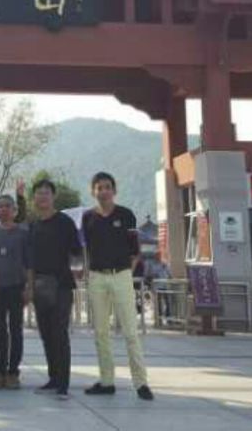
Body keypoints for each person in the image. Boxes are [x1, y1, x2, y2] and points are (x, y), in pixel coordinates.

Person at [82, 172, 154, 401]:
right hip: (97, 277)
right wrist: (88, 273)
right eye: (99, 187)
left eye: (107, 187)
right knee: (101, 332)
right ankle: (107, 381)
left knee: (130, 332)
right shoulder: (88, 218)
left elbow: (135, 251)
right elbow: (86, 250)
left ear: (114, 190)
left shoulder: (126, 215)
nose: (103, 191)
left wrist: (126, 273)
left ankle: (141, 383)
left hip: (121, 275)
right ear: (93, 191)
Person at [30, 178, 82, 401]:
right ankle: (53, 378)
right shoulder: (33, 225)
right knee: (46, 334)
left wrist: (78, 270)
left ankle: (63, 384)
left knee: (59, 333)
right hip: (40, 285)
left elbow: (77, 252)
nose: (42, 196)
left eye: (46, 193)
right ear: (34, 198)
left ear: (53, 196)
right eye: (39, 193)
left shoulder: (64, 222)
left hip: (61, 285)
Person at [0, 194, 31, 390]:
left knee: (16, 330)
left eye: (7, 206)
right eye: (0, 206)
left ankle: (13, 372)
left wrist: (29, 287)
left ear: (14, 210)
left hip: (16, 287)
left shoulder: (23, 233)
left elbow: (29, 262)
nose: (4, 209)